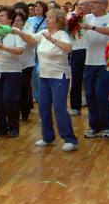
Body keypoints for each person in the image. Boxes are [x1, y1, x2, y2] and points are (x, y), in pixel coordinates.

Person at [14, 8, 78, 151]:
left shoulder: (62, 34)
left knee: (59, 108)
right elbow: (30, 40)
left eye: (50, 18)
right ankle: (48, 137)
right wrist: (18, 31)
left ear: (58, 20)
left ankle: (70, 139)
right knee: (43, 107)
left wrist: (53, 39)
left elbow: (69, 48)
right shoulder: (43, 33)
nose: (47, 20)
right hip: (44, 76)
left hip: (59, 76)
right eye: (47, 17)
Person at [81, 0, 109, 138]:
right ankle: (94, 126)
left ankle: (106, 126)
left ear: (104, 5)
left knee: (101, 94)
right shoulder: (87, 17)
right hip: (89, 62)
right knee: (89, 95)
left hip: (105, 63)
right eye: (91, 2)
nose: (92, 4)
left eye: (95, 2)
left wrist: (93, 27)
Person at [0, 6, 25, 137]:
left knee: (9, 99)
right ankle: (1, 127)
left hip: (12, 71)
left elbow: (20, 50)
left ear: (10, 19)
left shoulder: (15, 32)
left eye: (2, 16)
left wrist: (3, 47)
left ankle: (14, 127)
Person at [68, 0, 90, 116]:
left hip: (90, 51)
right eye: (79, 5)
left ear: (89, 6)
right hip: (76, 50)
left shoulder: (91, 17)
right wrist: (75, 15)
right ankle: (75, 106)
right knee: (76, 80)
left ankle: (90, 103)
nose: (81, 7)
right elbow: (67, 27)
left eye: (83, 5)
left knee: (89, 79)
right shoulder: (70, 17)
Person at [13, 10, 35, 121]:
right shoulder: (9, 31)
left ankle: (25, 112)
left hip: (27, 64)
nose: (15, 23)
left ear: (23, 22)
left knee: (23, 89)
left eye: (18, 21)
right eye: (14, 20)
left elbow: (31, 42)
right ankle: (15, 112)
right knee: (15, 90)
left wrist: (18, 33)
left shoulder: (28, 30)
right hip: (14, 65)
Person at [27, 1, 47, 104]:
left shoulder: (47, 20)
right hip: (32, 46)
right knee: (33, 71)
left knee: (39, 70)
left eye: (40, 7)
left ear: (44, 9)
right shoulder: (29, 19)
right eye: (36, 7)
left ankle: (43, 94)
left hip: (42, 46)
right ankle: (35, 94)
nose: (37, 8)